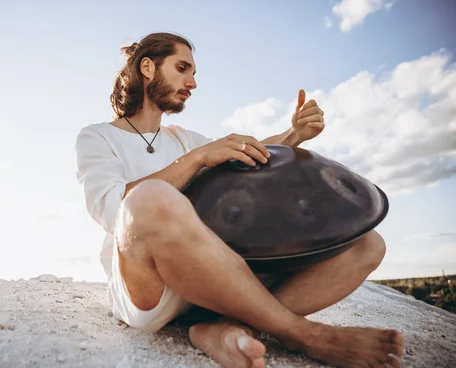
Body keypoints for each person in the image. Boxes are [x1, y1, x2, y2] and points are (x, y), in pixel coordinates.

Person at [74, 32, 404, 368]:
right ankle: (304, 334)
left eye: (194, 73)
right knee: (150, 198)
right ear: (147, 67)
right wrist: (197, 158)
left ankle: (223, 327)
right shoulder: (98, 136)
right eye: (183, 68)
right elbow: (113, 209)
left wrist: (295, 136)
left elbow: (241, 153)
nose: (192, 82)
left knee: (367, 244)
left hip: (214, 282)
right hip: (149, 289)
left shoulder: (183, 139)